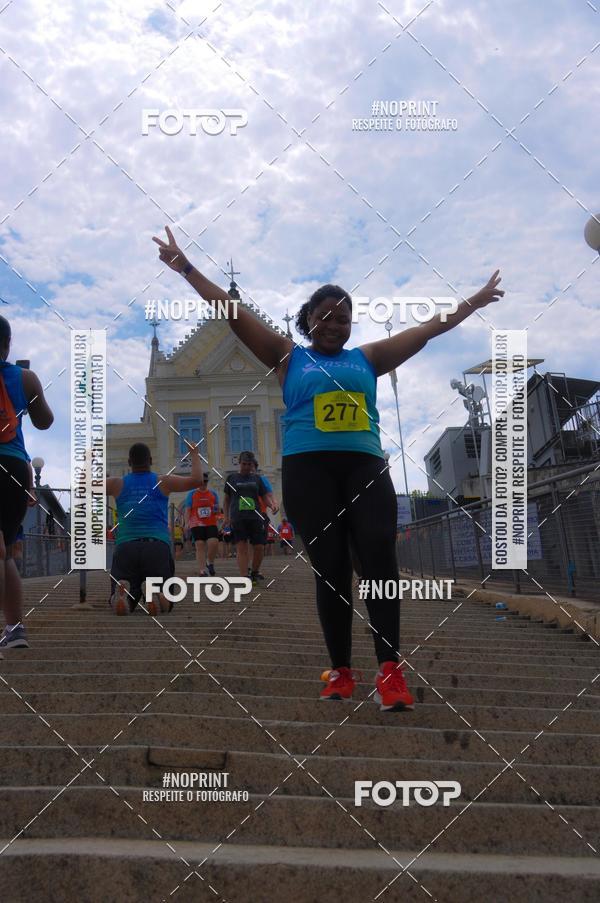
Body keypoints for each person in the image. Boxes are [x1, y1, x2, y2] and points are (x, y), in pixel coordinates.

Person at [152, 227, 503, 709]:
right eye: (326, 317)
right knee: (331, 571)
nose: (337, 325)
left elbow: (427, 329)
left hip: (365, 468)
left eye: (345, 318)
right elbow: (231, 314)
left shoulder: (369, 358)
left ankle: (390, 672)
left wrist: (474, 302)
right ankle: (340, 671)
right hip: (309, 472)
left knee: (379, 562)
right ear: (309, 322)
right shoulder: (286, 357)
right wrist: (188, 269)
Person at [0, 317, 54, 650]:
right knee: (5, 552)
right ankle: (15, 628)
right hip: (14, 465)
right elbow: (45, 422)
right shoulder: (25, 377)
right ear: (8, 343)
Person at [106, 440, 202, 615]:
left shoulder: (116, 483)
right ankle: (157, 594)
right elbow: (196, 481)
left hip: (126, 547)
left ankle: (122, 594)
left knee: (128, 590)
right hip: (156, 546)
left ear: (129, 463)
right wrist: (194, 454)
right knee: (167, 598)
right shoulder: (163, 482)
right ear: (150, 461)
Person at [222, 451, 275, 585]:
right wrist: (226, 517)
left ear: (252, 464)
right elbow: (227, 500)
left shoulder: (257, 479)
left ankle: (255, 571)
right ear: (239, 463)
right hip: (238, 517)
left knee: (259, 546)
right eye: (244, 464)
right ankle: (244, 576)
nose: (246, 467)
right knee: (242, 547)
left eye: (249, 464)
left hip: (255, 517)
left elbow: (264, 497)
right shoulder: (231, 478)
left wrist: (272, 505)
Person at [183, 472, 220, 577]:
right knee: (200, 545)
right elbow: (188, 510)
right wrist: (186, 523)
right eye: (201, 482)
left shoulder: (213, 493)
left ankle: (210, 562)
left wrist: (217, 513)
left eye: (205, 482)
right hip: (196, 522)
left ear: (207, 482)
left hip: (210, 522)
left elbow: (217, 508)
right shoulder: (192, 494)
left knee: (213, 542)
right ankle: (202, 570)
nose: (203, 484)